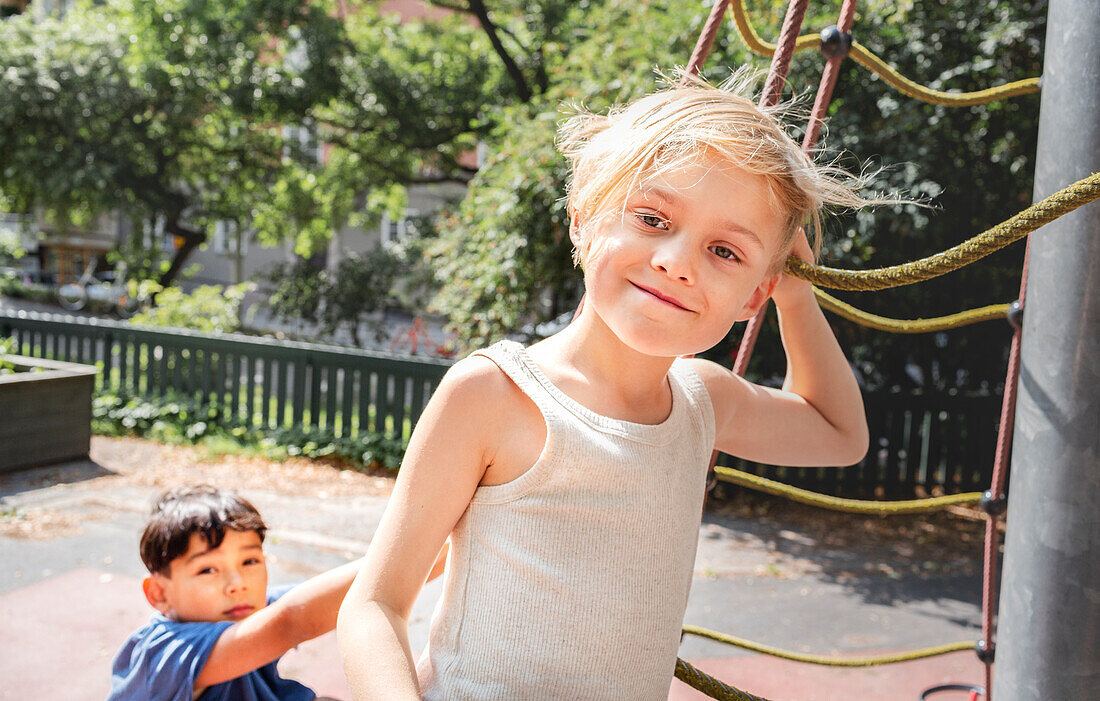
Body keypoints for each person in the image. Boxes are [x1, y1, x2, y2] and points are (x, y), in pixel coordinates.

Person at [338, 73, 875, 700]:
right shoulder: (495, 394)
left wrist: (797, 296)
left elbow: (839, 434)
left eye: (725, 252)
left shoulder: (703, 400)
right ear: (585, 218)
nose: (676, 260)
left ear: (754, 293)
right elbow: (374, 606)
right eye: (651, 218)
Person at [108, 485, 446, 701]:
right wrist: (437, 547)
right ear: (158, 594)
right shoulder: (164, 654)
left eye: (250, 561)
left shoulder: (245, 609)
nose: (237, 582)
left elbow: (345, 591)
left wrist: (446, 551)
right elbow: (292, 620)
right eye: (208, 569)